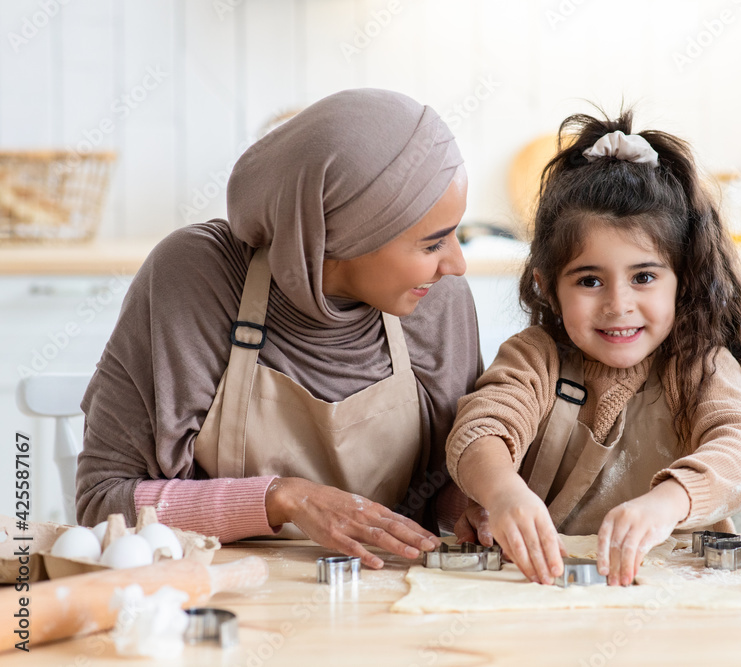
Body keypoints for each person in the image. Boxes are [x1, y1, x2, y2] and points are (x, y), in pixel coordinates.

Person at [76, 89, 482, 569]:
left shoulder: (438, 303)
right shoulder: (194, 280)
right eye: (433, 244)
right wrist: (280, 499)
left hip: (387, 601)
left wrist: (476, 506)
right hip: (222, 599)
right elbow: (102, 506)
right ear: (341, 235)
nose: (455, 264)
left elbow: (442, 489)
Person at [445, 111, 741, 586]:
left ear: (683, 282)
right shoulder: (535, 357)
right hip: (544, 589)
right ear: (547, 286)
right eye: (589, 280)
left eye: (643, 277)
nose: (618, 305)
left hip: (680, 592)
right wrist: (502, 494)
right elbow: (481, 430)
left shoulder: (699, 366)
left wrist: (669, 501)